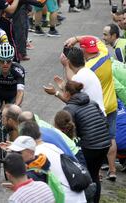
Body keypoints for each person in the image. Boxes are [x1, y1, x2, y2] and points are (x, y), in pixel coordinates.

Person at [65, 35, 117, 181]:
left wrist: (66, 65)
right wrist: (76, 38)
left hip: (94, 111)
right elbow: (97, 39)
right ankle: (112, 170)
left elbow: (73, 84)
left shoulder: (89, 68)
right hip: (110, 104)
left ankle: (96, 172)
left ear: (83, 51)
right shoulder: (105, 53)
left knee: (92, 142)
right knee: (110, 138)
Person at [62, 80, 111, 203]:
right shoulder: (93, 102)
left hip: (90, 146)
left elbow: (68, 133)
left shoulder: (69, 108)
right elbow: (105, 122)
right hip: (105, 144)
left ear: (68, 93)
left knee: (85, 176)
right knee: (94, 175)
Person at [18, 121, 87, 202]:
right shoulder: (52, 147)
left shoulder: (36, 155)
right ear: (39, 133)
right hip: (79, 196)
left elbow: (34, 187)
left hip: (64, 198)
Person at [44, 47, 105, 115]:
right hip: (99, 114)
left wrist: (55, 92)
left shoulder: (78, 78)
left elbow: (70, 102)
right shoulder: (88, 71)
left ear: (69, 62)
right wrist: (64, 87)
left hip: (91, 117)